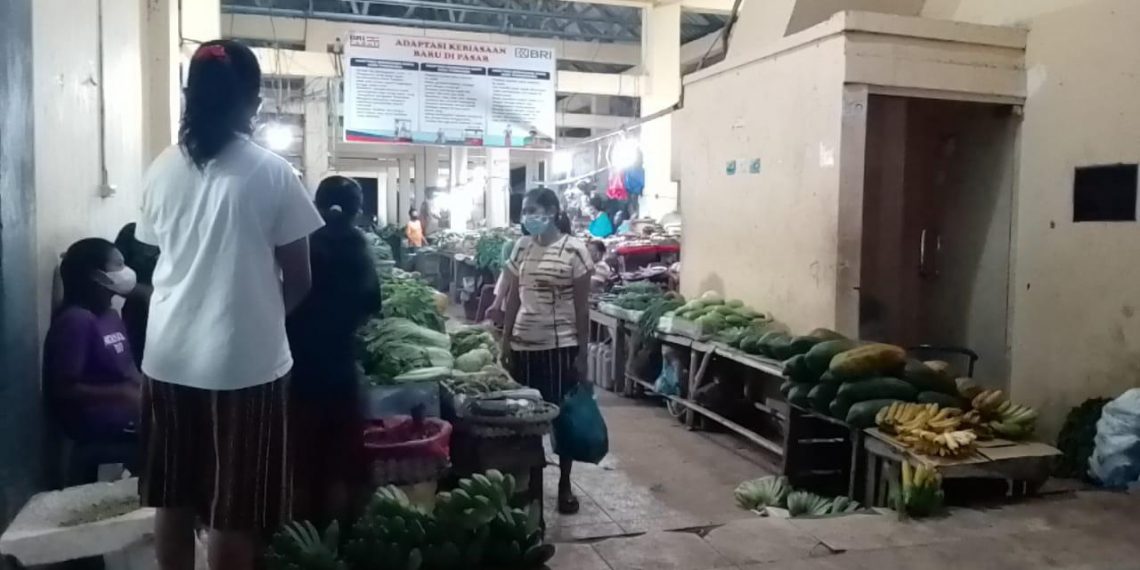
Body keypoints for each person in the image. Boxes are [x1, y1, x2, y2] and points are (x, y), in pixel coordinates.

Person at [135, 40, 324, 570]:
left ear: (189, 97)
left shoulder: (160, 169)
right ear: (253, 102)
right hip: (243, 367)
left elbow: (160, 255)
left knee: (172, 500)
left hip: (166, 359)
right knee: (234, 510)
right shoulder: (271, 173)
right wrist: (258, 321)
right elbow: (300, 278)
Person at [287, 176, 381, 525]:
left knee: (301, 460)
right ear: (357, 211)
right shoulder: (357, 245)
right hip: (341, 366)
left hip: (296, 368)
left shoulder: (300, 242)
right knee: (341, 463)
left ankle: (297, 540)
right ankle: (336, 543)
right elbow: (373, 302)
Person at [500, 187, 593, 515]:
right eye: (524, 211)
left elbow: (583, 309)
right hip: (523, 346)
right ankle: (530, 483)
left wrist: (582, 354)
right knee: (523, 418)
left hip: (559, 347)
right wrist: (505, 340)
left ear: (552, 211)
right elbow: (513, 297)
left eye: (532, 210)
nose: (526, 217)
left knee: (561, 418)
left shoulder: (575, 251)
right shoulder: (521, 247)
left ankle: (565, 484)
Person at [44, 238, 142, 483]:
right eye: (117, 266)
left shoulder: (110, 314)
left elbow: (127, 370)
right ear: (96, 276)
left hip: (129, 419)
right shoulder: (76, 321)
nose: (125, 272)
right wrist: (121, 394)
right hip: (98, 428)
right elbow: (63, 388)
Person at [114, 223, 159, 367]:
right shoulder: (134, 232)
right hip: (140, 318)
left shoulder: (198, 230)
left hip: (187, 320)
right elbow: (112, 276)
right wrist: (148, 294)